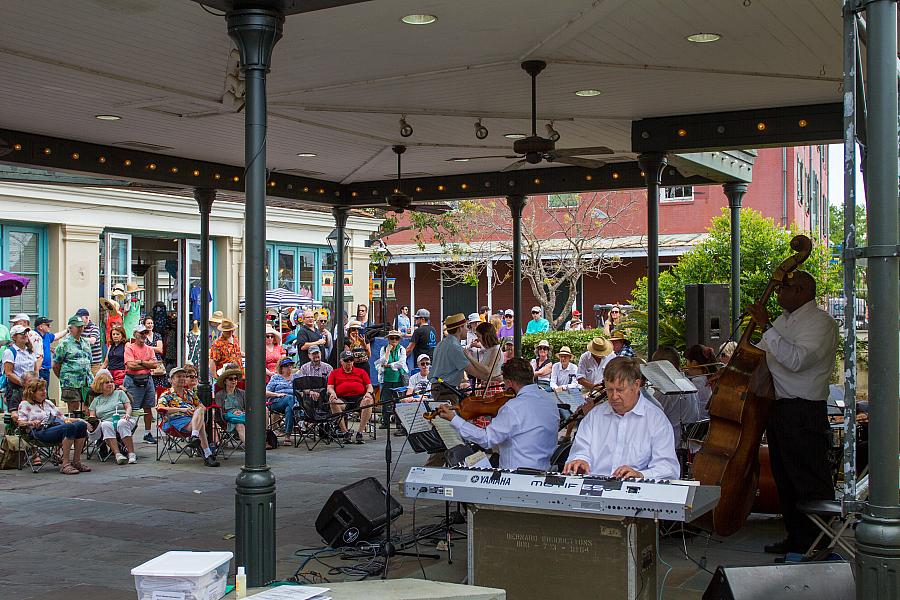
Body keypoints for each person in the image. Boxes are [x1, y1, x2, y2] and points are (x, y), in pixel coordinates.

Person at [746, 270, 838, 556]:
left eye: (783, 288)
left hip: (804, 410)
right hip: (779, 408)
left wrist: (766, 326)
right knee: (785, 479)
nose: (777, 293)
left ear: (800, 291)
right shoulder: (784, 322)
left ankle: (817, 544)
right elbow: (760, 355)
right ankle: (796, 538)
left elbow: (796, 360)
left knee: (809, 480)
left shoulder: (821, 323)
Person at [564, 357, 679, 480]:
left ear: (636, 385)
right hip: (592, 488)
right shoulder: (594, 416)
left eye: (620, 390)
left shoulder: (656, 419)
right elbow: (579, 451)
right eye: (609, 390)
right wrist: (579, 460)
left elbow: (668, 468)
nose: (614, 396)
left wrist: (640, 475)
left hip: (636, 492)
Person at [436, 358, 558, 471]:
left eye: (504, 384)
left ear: (510, 383)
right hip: (544, 471)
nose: (503, 388)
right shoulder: (550, 401)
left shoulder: (512, 408)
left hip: (515, 476)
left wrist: (454, 419)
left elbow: (487, 439)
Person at [17, 378, 90, 474]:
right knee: (69, 427)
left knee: (80, 425)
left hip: (54, 428)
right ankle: (65, 464)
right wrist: (31, 423)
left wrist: (80, 420)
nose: (44, 392)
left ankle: (76, 462)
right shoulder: (25, 404)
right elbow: (20, 422)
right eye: (40, 390)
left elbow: (63, 418)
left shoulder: (48, 403)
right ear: (32, 393)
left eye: (44, 389)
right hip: (38, 432)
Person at [157, 366, 220, 466]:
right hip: (174, 421)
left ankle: (195, 437)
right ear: (171, 380)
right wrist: (182, 410)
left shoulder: (189, 393)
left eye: (184, 376)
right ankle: (207, 455)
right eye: (178, 376)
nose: (182, 378)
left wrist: (193, 411)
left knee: (199, 411)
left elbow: (202, 407)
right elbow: (160, 409)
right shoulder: (166, 394)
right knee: (201, 424)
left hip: (191, 420)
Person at [650, 346, 701, 447]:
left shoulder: (666, 390)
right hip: (688, 444)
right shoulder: (688, 383)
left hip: (671, 445)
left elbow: (650, 419)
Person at [88, 371, 137, 464]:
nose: (110, 384)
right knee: (105, 425)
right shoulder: (96, 400)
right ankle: (118, 454)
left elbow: (128, 406)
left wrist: (127, 414)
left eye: (111, 382)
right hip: (107, 422)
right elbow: (92, 417)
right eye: (107, 382)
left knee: (122, 423)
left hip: (124, 419)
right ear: (100, 385)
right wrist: (94, 423)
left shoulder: (119, 393)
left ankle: (131, 454)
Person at [429, 313, 481, 400]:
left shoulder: (442, 343)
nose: (467, 330)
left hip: (440, 388)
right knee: (450, 413)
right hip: (445, 390)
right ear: (460, 328)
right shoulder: (454, 346)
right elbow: (471, 370)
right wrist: (490, 376)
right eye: (466, 327)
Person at [327, 350, 375, 444]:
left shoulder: (361, 371)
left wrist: (368, 393)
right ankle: (345, 433)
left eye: (351, 360)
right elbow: (330, 387)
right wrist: (332, 393)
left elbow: (369, 386)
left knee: (368, 401)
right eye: (346, 360)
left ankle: (360, 432)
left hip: (359, 398)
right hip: (343, 399)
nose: (349, 362)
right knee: (332, 402)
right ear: (341, 361)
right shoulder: (335, 373)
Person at [124, 324, 160, 444]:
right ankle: (128, 433)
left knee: (148, 407)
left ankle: (147, 433)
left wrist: (139, 361)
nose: (143, 335)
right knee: (132, 407)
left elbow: (155, 365)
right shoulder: (129, 347)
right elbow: (130, 365)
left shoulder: (149, 349)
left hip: (147, 379)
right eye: (141, 333)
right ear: (135, 334)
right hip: (133, 379)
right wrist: (146, 363)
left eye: (145, 333)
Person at [53, 315, 94, 414]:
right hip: (71, 382)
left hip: (86, 381)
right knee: (74, 409)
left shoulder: (86, 343)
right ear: (71, 328)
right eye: (78, 327)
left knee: (88, 409)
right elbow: (56, 365)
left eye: (82, 326)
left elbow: (90, 362)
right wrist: (64, 378)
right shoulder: (64, 344)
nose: (80, 329)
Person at [375, 330, 408, 428]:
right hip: (386, 379)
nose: (394, 340)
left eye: (396, 338)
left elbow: (401, 364)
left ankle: (399, 423)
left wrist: (388, 365)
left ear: (399, 340)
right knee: (385, 401)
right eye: (392, 338)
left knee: (398, 401)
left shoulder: (402, 349)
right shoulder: (383, 349)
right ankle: (385, 422)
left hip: (398, 379)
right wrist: (388, 351)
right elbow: (382, 362)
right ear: (388, 339)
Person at [3, 324, 40, 411]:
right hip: (16, 389)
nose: (25, 335)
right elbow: (8, 373)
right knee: (17, 414)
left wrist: (35, 383)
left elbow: (35, 369)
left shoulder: (30, 351)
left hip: (32, 388)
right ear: (14, 337)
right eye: (21, 333)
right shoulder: (10, 352)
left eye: (26, 333)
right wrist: (24, 383)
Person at [265, 357, 298, 447]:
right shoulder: (276, 377)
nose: (289, 367)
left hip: (290, 402)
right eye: (286, 365)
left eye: (290, 365)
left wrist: (310, 392)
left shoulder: (296, 377)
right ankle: (299, 414)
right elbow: (265, 392)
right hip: (277, 402)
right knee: (290, 399)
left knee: (289, 409)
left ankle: (287, 437)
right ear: (281, 367)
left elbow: (302, 390)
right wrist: (277, 395)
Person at [464, 321, 503, 386]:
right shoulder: (489, 349)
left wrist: (470, 357)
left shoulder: (496, 349)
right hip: (486, 385)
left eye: (479, 336)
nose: (478, 340)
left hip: (492, 387)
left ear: (485, 336)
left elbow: (488, 370)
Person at [216, 365, 247, 445]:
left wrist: (241, 412)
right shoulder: (220, 395)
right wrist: (232, 413)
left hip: (241, 416)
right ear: (225, 381)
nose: (234, 381)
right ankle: (251, 447)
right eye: (231, 379)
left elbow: (247, 407)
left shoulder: (242, 393)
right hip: (227, 419)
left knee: (240, 424)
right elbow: (219, 412)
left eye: (235, 378)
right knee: (240, 425)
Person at [684, 344, 717, 419]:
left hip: (699, 424)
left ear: (694, 363)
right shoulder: (708, 377)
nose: (686, 365)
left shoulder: (696, 382)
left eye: (687, 362)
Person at [34, 316, 66, 385]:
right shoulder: (34, 336)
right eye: (48, 325)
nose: (50, 327)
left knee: (45, 392)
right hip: (38, 369)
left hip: (46, 369)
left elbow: (56, 336)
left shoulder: (47, 335)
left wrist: (67, 330)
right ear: (41, 327)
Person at [550, 345, 581, 412]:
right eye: (561, 356)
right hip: (557, 390)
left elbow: (575, 384)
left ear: (569, 358)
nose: (563, 358)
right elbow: (552, 381)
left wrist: (563, 387)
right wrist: (556, 388)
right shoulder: (555, 366)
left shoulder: (574, 367)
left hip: (570, 390)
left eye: (565, 356)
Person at [74, 308, 103, 375]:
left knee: (94, 383)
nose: (79, 320)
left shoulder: (94, 328)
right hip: (82, 362)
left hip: (94, 363)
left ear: (87, 318)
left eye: (81, 318)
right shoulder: (79, 328)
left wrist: (78, 338)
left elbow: (92, 340)